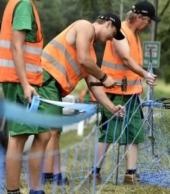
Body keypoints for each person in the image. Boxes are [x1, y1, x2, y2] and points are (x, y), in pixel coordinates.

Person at [39, 13, 125, 185]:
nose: (110, 40)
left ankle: (53, 175)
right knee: (51, 131)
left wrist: (111, 106)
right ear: (108, 24)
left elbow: (95, 86)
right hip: (45, 78)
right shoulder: (85, 26)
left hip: (53, 86)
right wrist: (104, 76)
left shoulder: (91, 54)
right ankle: (48, 176)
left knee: (55, 131)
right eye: (112, 34)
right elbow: (83, 60)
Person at [90, 0, 160, 185]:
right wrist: (146, 74)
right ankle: (94, 173)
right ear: (139, 18)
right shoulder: (120, 32)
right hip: (114, 92)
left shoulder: (134, 34)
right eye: (148, 21)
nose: (148, 25)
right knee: (108, 133)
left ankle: (131, 174)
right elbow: (127, 59)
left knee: (134, 133)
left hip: (131, 93)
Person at [0, 0, 49, 194]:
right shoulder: (24, 4)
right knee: (18, 138)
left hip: (25, 81)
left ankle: (35, 189)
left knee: (44, 133)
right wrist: (26, 85)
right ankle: (13, 191)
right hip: (20, 83)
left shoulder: (22, 4)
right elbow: (16, 47)